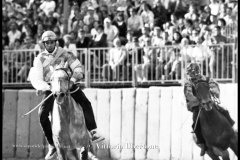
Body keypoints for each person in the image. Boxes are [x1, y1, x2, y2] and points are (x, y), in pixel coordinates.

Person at [29, 31, 104, 160]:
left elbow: (78, 68)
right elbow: (36, 78)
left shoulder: (66, 54)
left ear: (55, 42)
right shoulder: (39, 59)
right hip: (51, 88)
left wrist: (72, 81)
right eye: (47, 43)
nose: (50, 44)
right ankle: (52, 145)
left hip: (68, 85)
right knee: (42, 114)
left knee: (86, 102)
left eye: (52, 42)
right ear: (44, 44)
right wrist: (44, 87)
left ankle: (92, 131)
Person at [183, 62, 235, 156]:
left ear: (197, 71)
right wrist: (199, 101)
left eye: (192, 72)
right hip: (197, 106)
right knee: (196, 122)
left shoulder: (207, 79)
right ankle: (203, 144)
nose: (191, 75)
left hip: (209, 101)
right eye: (190, 73)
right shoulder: (188, 83)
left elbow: (215, 87)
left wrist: (214, 91)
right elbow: (189, 95)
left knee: (224, 111)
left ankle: (232, 130)